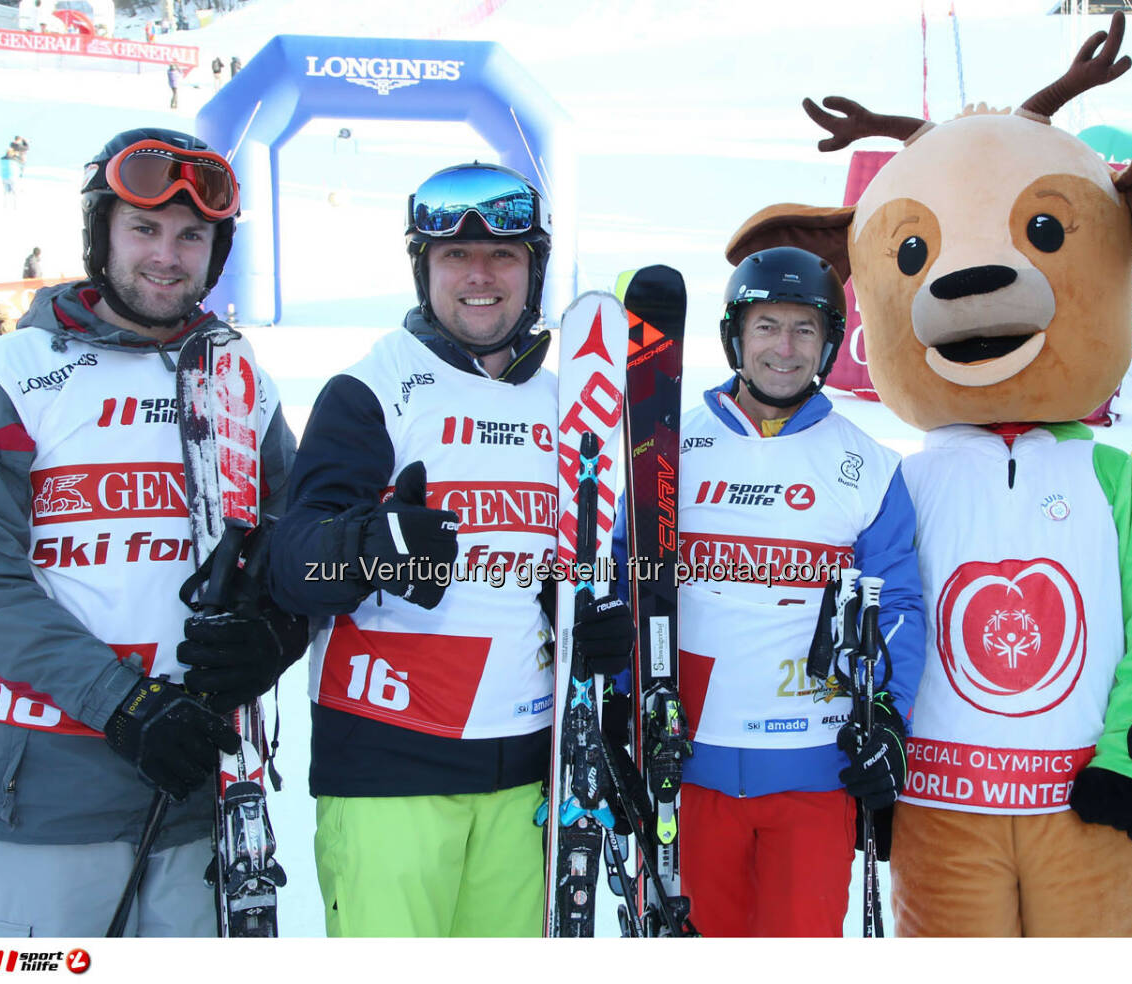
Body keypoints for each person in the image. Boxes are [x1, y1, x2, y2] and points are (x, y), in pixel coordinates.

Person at [0, 127, 307, 937]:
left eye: (193, 236)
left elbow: (291, 545)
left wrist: (276, 630)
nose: (169, 255)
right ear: (100, 234)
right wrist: (122, 704)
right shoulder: (8, 377)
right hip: (48, 785)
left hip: (203, 782)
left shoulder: (236, 378)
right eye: (145, 229)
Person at [268, 162, 632, 937]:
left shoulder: (569, 403)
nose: (479, 275)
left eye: (503, 256)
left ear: (532, 271)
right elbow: (293, 562)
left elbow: (588, 555)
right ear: (422, 270)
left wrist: (595, 618)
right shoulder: (372, 390)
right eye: (454, 258)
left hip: (528, 771)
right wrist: (367, 547)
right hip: (390, 768)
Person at [629, 247, 926, 936]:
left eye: (803, 329)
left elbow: (899, 607)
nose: (784, 349)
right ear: (736, 336)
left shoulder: (870, 467)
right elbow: (630, 577)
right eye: (766, 327)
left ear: (828, 344)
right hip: (691, 766)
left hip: (814, 770)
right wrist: (625, 694)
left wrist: (886, 713)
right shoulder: (669, 447)